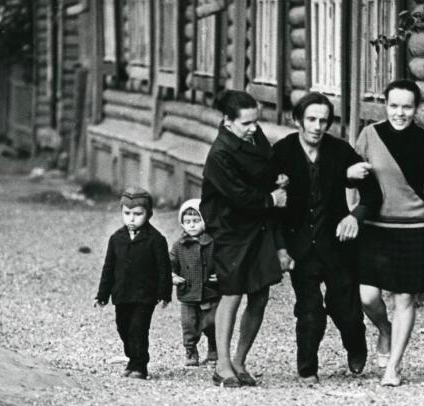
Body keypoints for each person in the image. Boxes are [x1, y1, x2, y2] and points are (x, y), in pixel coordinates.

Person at [353, 79, 424, 387]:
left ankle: (394, 367)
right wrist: (352, 217)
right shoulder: (369, 135)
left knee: (404, 298)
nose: (399, 113)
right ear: (385, 105)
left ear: (416, 109)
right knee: (367, 297)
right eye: (394, 106)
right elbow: (351, 178)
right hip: (374, 228)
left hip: (412, 230)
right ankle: (384, 329)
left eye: (407, 107)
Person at [272, 92, 383, 385]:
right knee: (309, 312)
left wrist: (354, 216)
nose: (317, 126)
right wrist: (281, 248)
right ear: (298, 120)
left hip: (337, 245)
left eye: (323, 120)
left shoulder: (340, 151)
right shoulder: (281, 153)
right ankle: (307, 368)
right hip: (300, 247)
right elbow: (272, 209)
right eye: (311, 119)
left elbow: (373, 193)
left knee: (344, 308)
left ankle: (356, 346)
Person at [200, 89, 289, 388]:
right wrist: (272, 199)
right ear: (227, 121)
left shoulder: (254, 135)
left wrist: (278, 177)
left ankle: (239, 360)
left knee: (260, 294)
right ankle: (222, 365)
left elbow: (266, 165)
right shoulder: (220, 154)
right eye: (246, 123)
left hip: (259, 225)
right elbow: (238, 196)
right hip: (231, 228)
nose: (253, 128)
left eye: (255, 121)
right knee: (233, 291)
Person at [95, 187, 173, 380]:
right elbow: (108, 268)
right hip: (121, 293)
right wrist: (102, 294)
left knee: (138, 328)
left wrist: (164, 293)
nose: (131, 218)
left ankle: (140, 365)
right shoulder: (116, 239)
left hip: (145, 295)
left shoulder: (156, 240)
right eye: (127, 213)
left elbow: (164, 269)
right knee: (123, 326)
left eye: (138, 214)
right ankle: (132, 359)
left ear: (149, 214)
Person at [170, 199, 219, 367]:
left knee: (211, 322)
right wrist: (172, 276)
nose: (192, 225)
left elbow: (223, 261)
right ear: (182, 224)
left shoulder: (213, 243)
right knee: (189, 324)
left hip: (209, 291)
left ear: (204, 221)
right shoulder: (178, 246)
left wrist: (221, 275)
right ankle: (190, 350)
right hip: (188, 292)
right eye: (187, 222)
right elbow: (170, 264)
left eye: (196, 221)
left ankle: (213, 350)